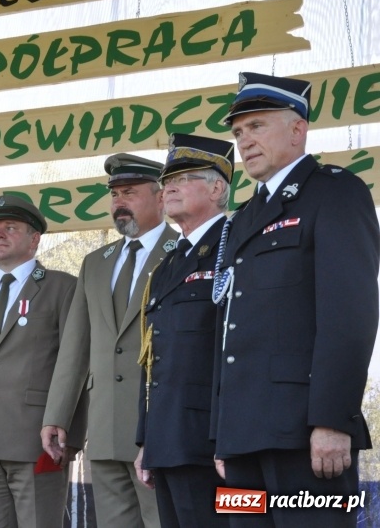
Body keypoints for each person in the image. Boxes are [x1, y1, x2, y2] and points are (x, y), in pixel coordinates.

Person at [209, 72, 380, 527]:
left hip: (306, 438)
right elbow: (231, 332)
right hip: (242, 442)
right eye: (239, 131)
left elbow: (351, 314)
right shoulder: (243, 217)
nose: (244, 140)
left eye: (257, 126)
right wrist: (222, 437)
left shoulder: (335, 192)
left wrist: (332, 421)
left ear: (297, 129)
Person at [41, 154, 176, 528]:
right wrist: (57, 415)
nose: (119, 202)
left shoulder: (183, 253)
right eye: (114, 194)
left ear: (161, 198)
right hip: (103, 430)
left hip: (158, 430)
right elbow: (75, 347)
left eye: (129, 192)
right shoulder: (95, 263)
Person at [0, 195, 86, 528]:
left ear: (34, 239)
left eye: (10, 227)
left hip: (38, 440)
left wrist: (72, 435)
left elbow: (76, 363)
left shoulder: (61, 287)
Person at [133, 133, 233, 528]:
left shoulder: (235, 245)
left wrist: (228, 438)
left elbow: (238, 350)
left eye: (185, 176)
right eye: (167, 178)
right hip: (168, 441)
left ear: (217, 188)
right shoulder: (168, 264)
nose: (169, 185)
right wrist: (146, 441)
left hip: (212, 444)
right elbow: (151, 359)